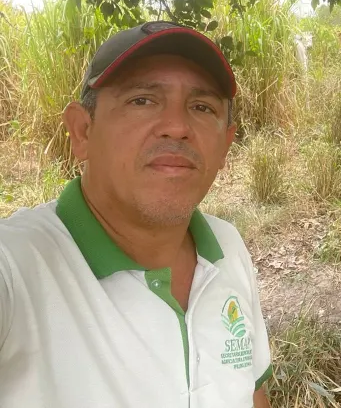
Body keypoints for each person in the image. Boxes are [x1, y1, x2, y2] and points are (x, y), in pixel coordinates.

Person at [0, 22, 273, 407]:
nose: (177, 127)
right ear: (82, 132)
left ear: (225, 146)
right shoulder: (18, 266)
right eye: (142, 100)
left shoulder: (227, 247)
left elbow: (253, 393)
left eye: (202, 107)